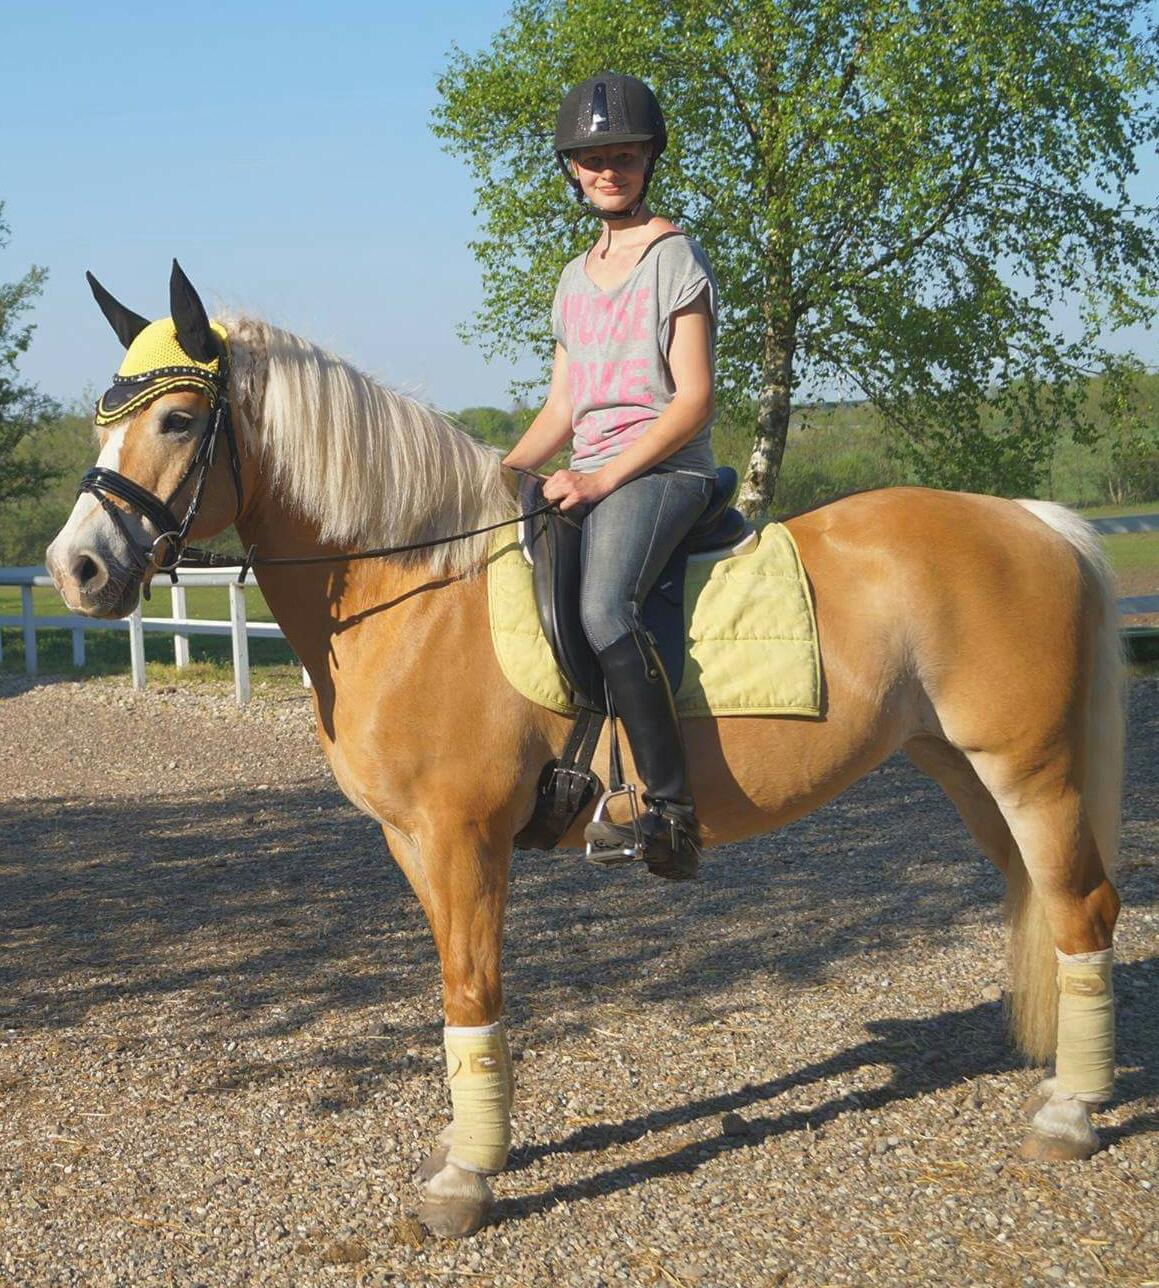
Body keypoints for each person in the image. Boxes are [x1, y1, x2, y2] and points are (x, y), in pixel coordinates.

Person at [502, 72, 718, 881]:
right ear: (571, 168)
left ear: (648, 161)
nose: (607, 170)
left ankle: (670, 810)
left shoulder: (673, 257)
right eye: (591, 158)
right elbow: (565, 403)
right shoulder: (570, 278)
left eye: (623, 156)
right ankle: (567, 769)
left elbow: (691, 400)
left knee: (602, 605)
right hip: (589, 470)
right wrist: (507, 469)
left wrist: (597, 481)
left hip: (661, 470)